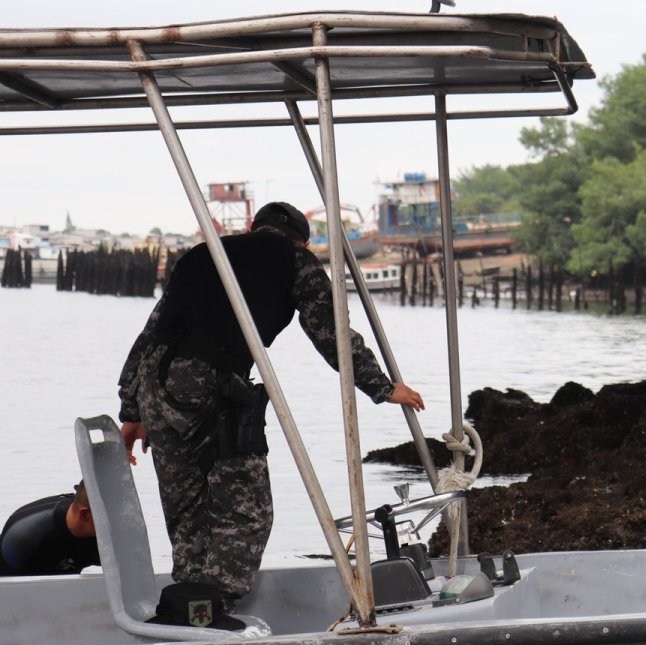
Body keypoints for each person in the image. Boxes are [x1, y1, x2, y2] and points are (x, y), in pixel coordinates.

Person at [117, 201, 425, 602]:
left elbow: (153, 330)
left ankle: (187, 603)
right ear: (303, 239)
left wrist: (133, 409)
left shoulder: (204, 252)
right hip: (208, 381)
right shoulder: (296, 259)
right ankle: (215, 608)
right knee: (248, 513)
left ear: (252, 226)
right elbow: (330, 330)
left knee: (188, 507)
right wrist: (381, 387)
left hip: (154, 385)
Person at [1, 482, 99, 575]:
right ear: (85, 515)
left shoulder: (95, 529)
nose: (114, 520)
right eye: (111, 515)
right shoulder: (23, 540)